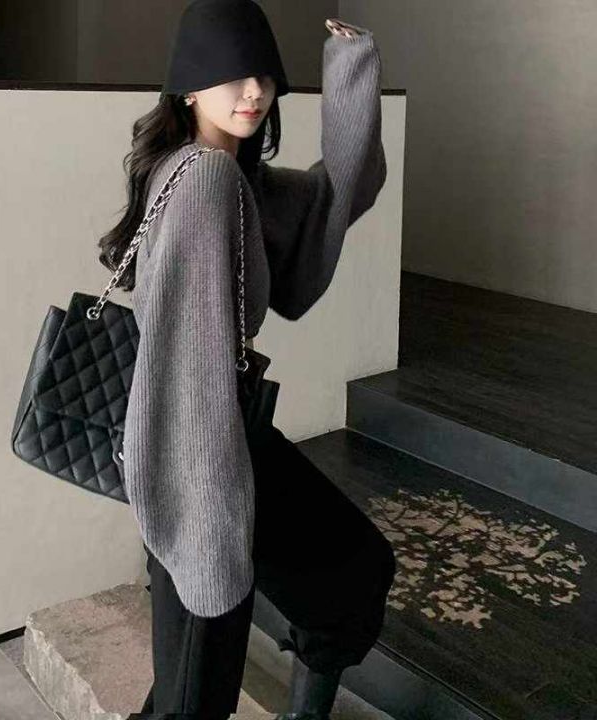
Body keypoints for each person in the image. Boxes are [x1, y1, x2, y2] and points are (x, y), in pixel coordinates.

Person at [97, 1, 395, 717]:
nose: (254, 90)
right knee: (191, 702)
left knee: (352, 575)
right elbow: (187, 368)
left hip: (225, 442)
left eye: (263, 73)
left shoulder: (236, 178)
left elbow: (334, 197)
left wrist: (351, 68)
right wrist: (207, 525)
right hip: (198, 460)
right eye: (231, 74)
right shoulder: (205, 180)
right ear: (189, 87)